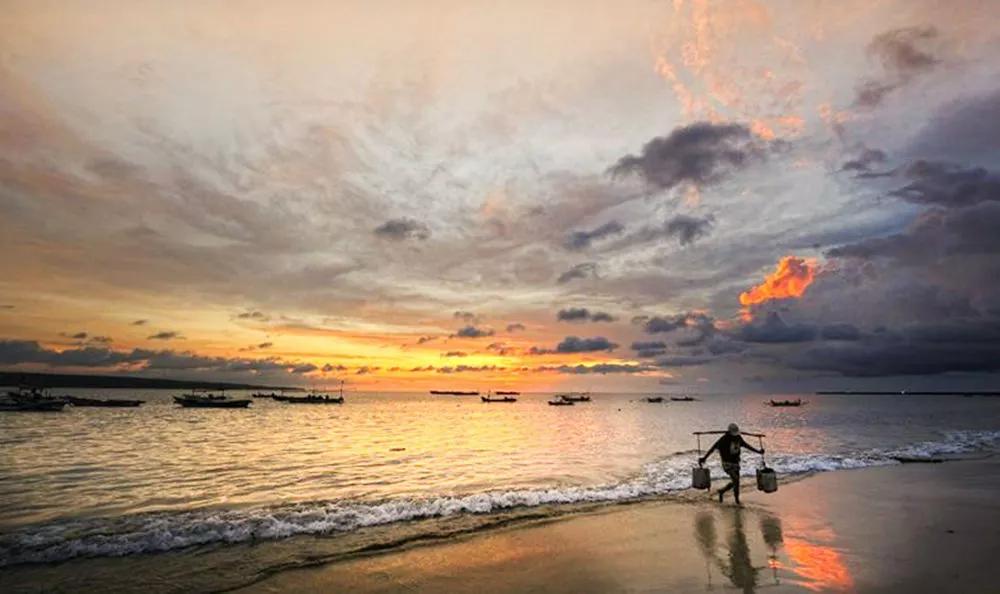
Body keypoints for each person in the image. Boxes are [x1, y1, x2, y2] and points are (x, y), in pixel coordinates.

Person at [698, 423, 763, 505]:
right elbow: (713, 448)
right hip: (727, 463)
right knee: (736, 479)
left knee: (736, 482)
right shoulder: (723, 439)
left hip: (736, 463)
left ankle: (725, 493)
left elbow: (747, 446)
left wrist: (758, 451)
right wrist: (704, 458)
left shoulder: (738, 438)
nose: (735, 436)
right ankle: (735, 500)